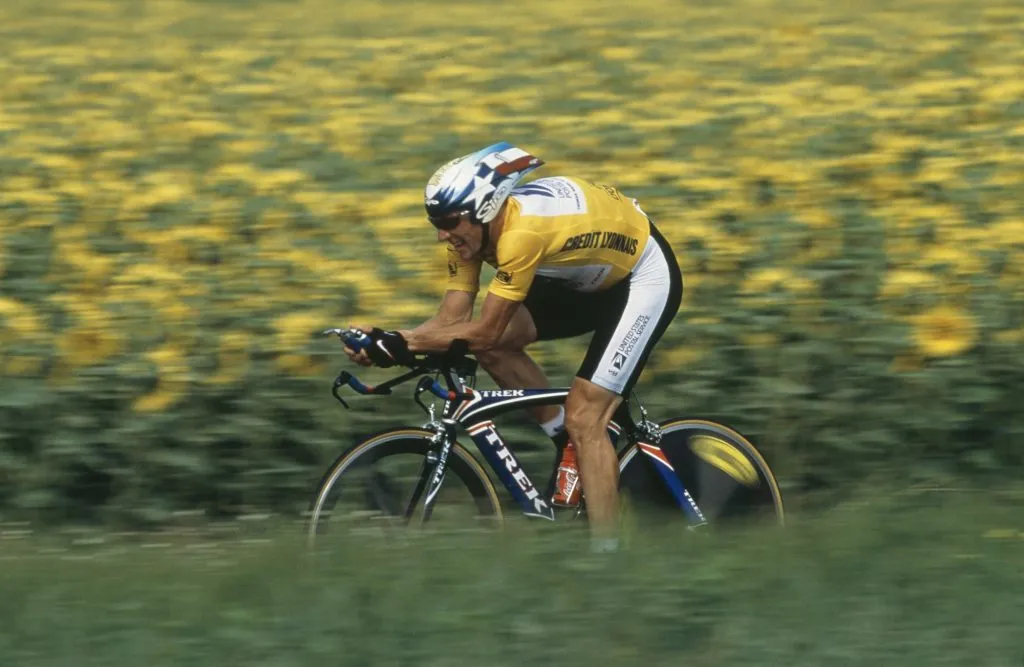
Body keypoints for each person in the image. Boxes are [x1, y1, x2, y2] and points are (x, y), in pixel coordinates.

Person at [342, 142, 682, 550]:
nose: (441, 234)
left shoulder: (521, 235)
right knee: (496, 348)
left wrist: (404, 343)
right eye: (435, 220)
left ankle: (605, 561)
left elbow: (480, 330)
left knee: (586, 415)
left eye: (449, 221)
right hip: (585, 279)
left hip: (642, 277)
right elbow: (452, 322)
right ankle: (567, 444)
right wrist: (389, 342)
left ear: (484, 209)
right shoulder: (472, 234)